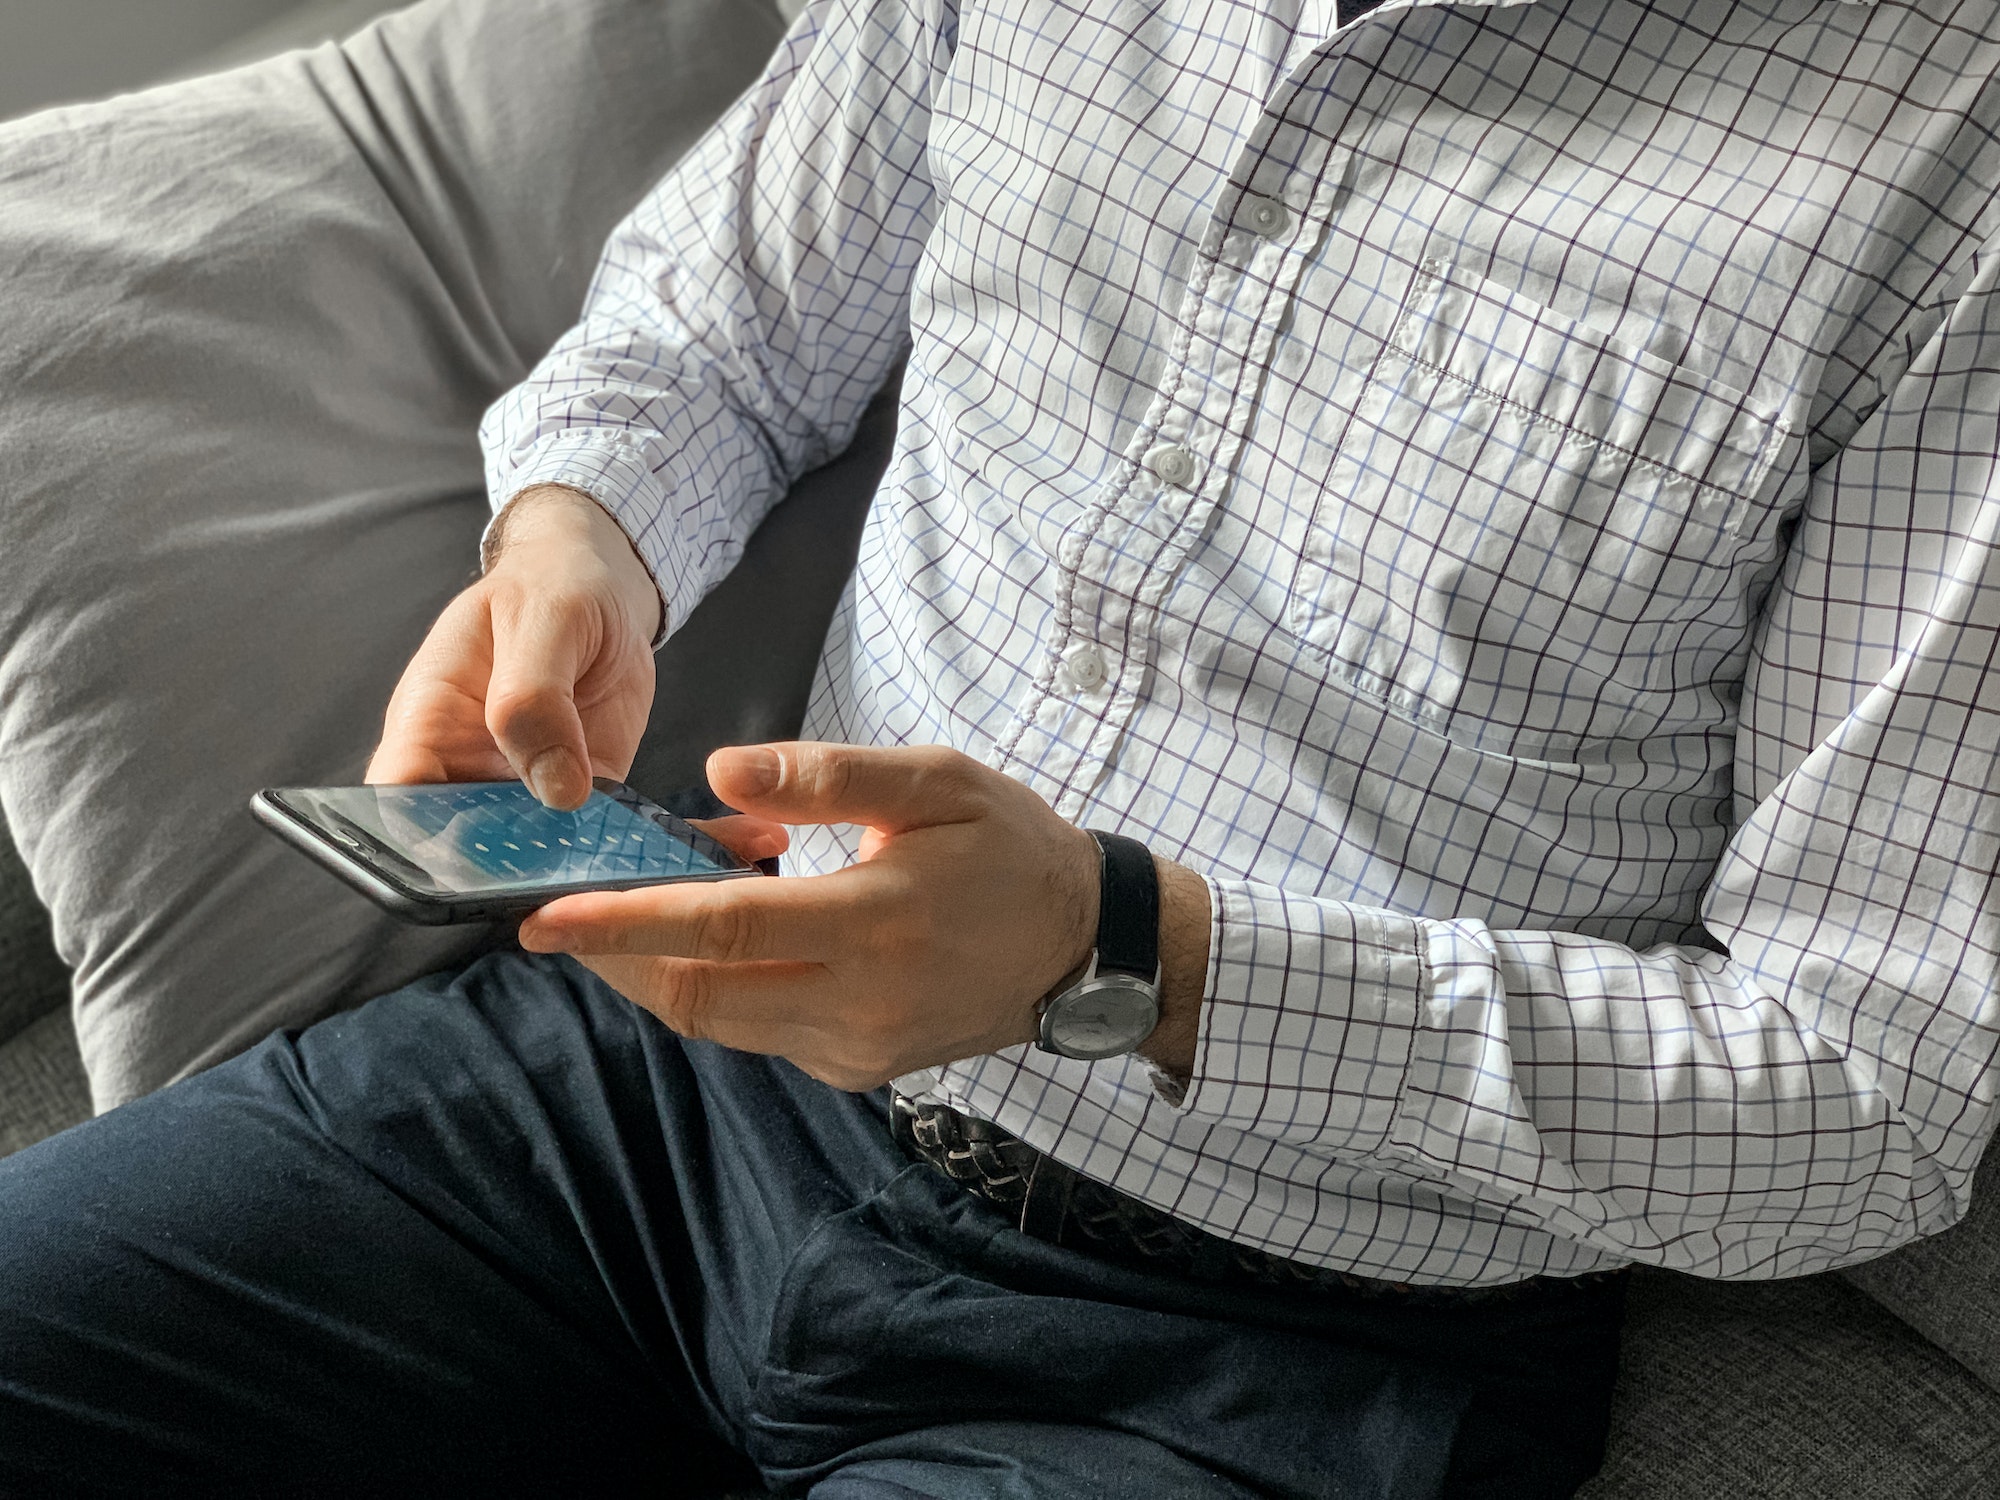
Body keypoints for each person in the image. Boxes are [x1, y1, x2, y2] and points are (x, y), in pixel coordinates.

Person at [3, 0, 1997, 1493]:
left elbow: (1866, 1087)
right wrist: (582, 548)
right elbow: (718, 329)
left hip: (1275, 1340)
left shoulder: (1948, 161)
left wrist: (1117, 954)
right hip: (671, 1083)